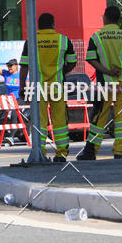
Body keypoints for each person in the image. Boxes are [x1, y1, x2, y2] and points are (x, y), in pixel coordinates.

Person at [77, 5, 122, 161]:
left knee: (99, 116)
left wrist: (106, 71)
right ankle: (119, 151)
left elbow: (91, 59)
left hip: (105, 82)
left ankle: (91, 151)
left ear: (105, 17)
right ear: (118, 19)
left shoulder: (96, 37)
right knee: (121, 117)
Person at [18, 13, 77, 161]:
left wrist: (22, 86)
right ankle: (61, 154)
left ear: (38, 25)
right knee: (60, 122)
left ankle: (40, 152)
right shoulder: (63, 40)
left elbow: (24, 66)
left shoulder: (31, 40)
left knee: (39, 122)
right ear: (53, 24)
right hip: (58, 88)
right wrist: (62, 72)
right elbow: (72, 62)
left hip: (38, 89)